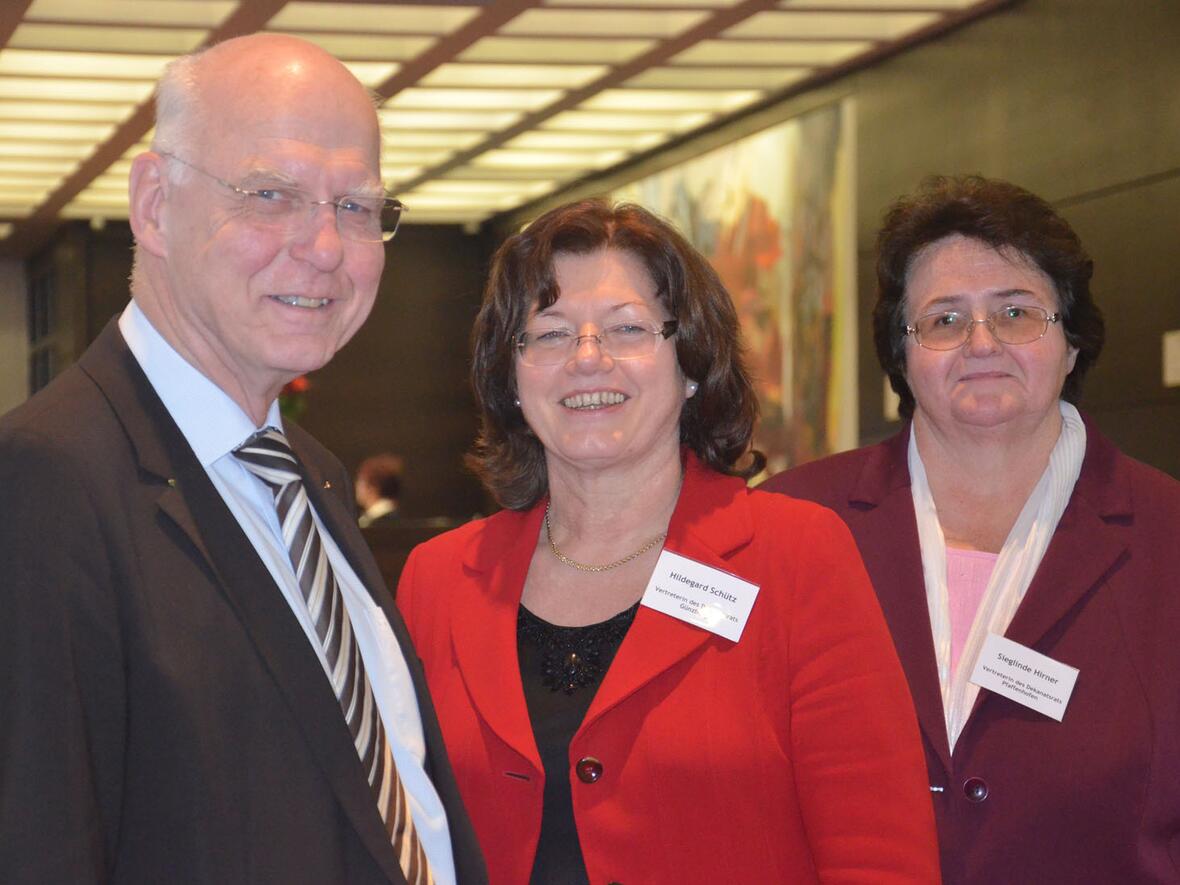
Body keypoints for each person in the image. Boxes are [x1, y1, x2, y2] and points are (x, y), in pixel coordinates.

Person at [0, 34, 484, 885]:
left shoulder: (309, 474)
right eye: (272, 194)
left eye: (357, 207)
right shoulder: (45, 482)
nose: (326, 246)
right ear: (154, 205)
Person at [396, 198, 941, 884]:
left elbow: (879, 855)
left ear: (690, 362)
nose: (587, 360)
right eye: (552, 333)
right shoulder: (438, 580)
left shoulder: (798, 557)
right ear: (511, 374)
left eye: (626, 329)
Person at [762, 175, 1180, 883]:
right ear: (902, 353)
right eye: (945, 320)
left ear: (1071, 342)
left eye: (1017, 312)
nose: (981, 342)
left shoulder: (1168, 538)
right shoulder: (794, 522)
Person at [357, 452, 406, 527]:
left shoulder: (374, 525)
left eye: (360, 480)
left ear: (372, 487)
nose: (356, 486)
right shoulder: (397, 519)